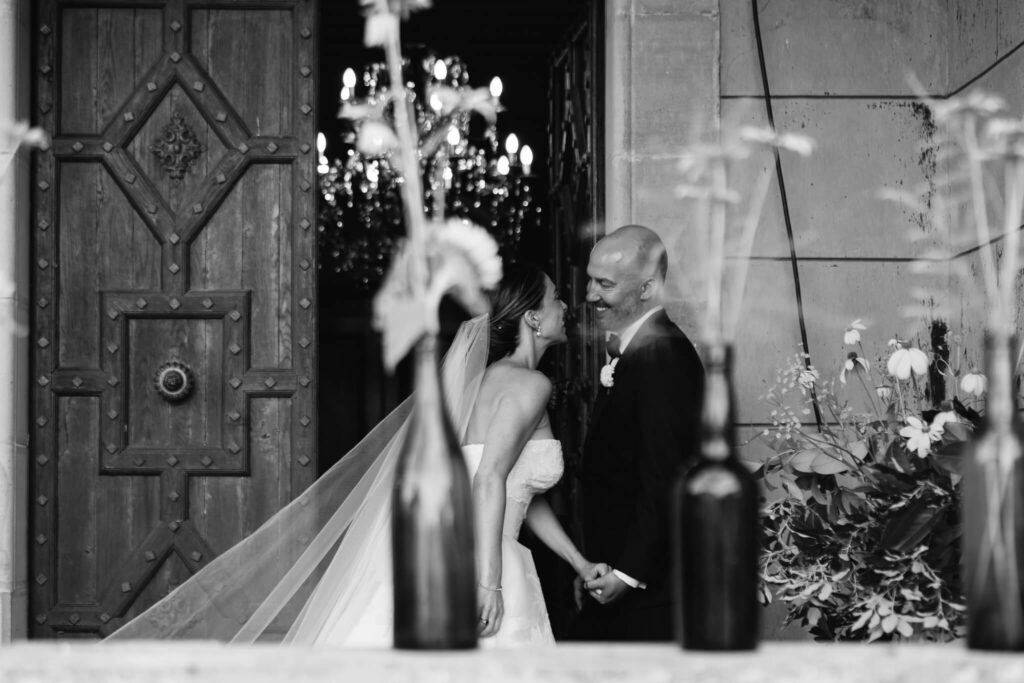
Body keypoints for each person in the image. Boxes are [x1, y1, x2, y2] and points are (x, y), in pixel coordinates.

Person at [108, 264, 605, 647]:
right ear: (533, 317)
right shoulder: (531, 385)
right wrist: (490, 584)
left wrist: (579, 562)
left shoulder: (487, 383)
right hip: (483, 563)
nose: (567, 305)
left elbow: (518, 493)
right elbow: (488, 478)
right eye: (556, 298)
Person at [573, 224, 705, 642]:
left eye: (605, 284)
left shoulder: (663, 355)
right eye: (590, 280)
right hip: (616, 577)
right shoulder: (637, 349)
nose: (590, 294)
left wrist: (629, 574)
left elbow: (666, 473)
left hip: (650, 595)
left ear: (647, 288)